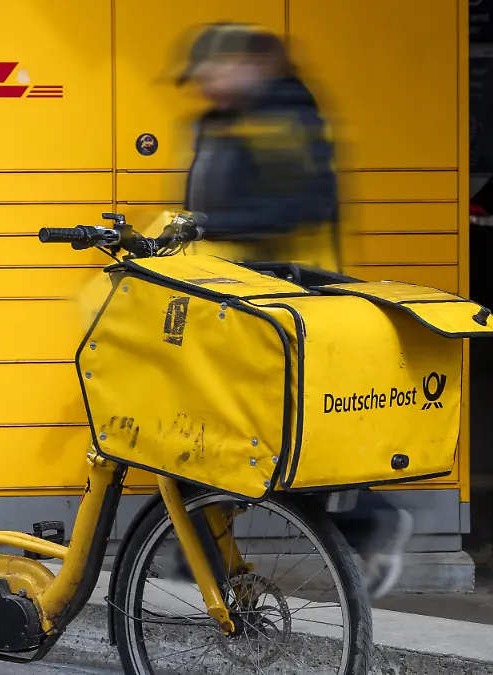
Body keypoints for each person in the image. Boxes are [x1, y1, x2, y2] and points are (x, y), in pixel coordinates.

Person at [177, 23, 414, 599]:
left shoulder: (283, 117)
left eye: (211, 73)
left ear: (244, 66)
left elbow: (303, 203)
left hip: (283, 301)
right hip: (230, 300)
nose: (203, 86)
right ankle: (209, 562)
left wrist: (213, 227)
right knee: (200, 429)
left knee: (268, 437)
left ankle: (367, 523)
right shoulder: (222, 122)